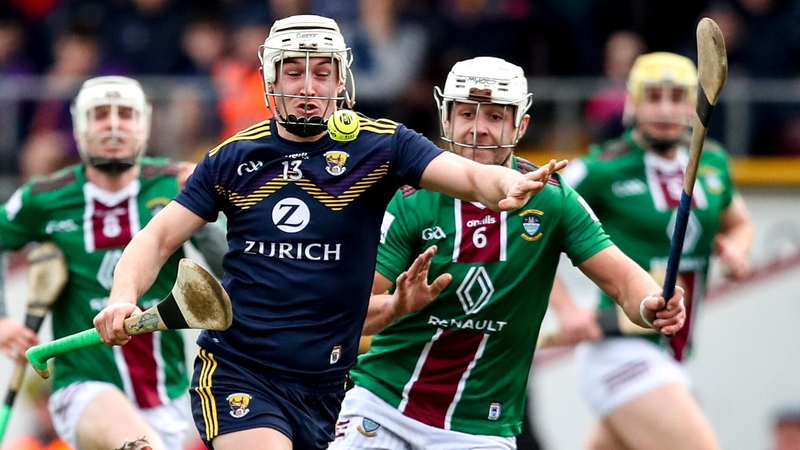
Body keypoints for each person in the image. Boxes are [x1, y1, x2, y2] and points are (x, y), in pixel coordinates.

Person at [91, 14, 573, 450]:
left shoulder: (382, 145)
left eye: (321, 73)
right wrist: (122, 296)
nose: (308, 86)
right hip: (240, 371)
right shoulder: (234, 157)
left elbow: (468, 176)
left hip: (332, 387)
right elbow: (156, 239)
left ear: (341, 79)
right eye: (294, 72)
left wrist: (506, 184)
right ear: (271, 78)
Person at [328, 56, 685, 450]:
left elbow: (624, 280)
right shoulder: (410, 201)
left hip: (481, 429)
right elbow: (351, 315)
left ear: (521, 125)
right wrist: (397, 305)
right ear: (446, 118)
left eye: (496, 117)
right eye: (466, 113)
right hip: (383, 407)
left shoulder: (554, 202)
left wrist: (651, 303)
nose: (478, 129)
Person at [0, 75, 227, 450]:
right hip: (81, 388)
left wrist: (206, 217)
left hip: (165, 398)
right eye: (100, 115)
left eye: (126, 114)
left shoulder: (178, 184)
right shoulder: (44, 198)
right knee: (138, 444)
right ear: (79, 128)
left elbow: (229, 271)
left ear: (144, 125)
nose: (114, 124)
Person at [558, 52, 754, 450]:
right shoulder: (601, 169)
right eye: (653, 96)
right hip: (621, 347)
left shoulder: (712, 162)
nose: (665, 108)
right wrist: (565, 308)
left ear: (693, 106)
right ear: (633, 103)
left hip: (673, 351)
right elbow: (524, 230)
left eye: (677, 96)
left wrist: (735, 252)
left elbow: (739, 223)